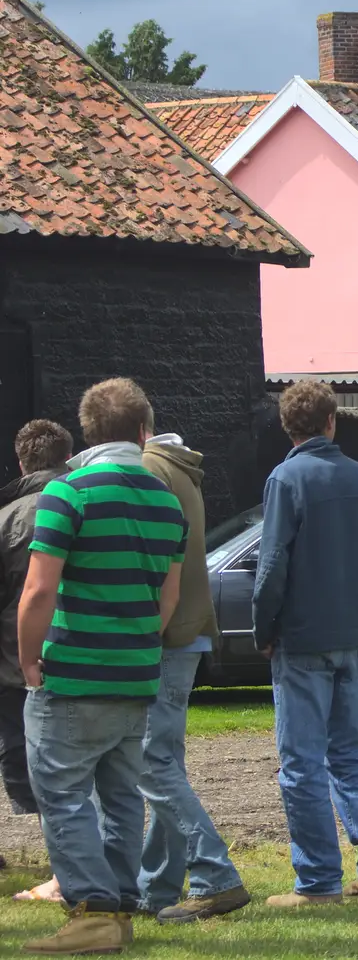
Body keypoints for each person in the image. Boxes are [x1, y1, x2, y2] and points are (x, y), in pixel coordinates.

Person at [16, 379, 187, 953]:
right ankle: (119, 905)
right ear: (143, 431)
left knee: (62, 795)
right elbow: (168, 599)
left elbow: (39, 591)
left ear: (87, 431)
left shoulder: (68, 492)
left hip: (73, 673)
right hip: (136, 674)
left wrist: (27, 658)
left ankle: (91, 912)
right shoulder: (166, 500)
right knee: (121, 797)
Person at [252, 380, 358, 908]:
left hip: (301, 639)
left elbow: (272, 566)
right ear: (333, 421)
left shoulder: (286, 478)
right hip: (348, 636)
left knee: (301, 763)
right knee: (347, 754)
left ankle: (317, 882)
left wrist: (263, 628)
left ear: (287, 428)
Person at [137, 427, 250, 922]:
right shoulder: (179, 466)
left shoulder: (149, 468)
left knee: (151, 763)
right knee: (164, 762)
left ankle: (215, 875)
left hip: (166, 633)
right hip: (189, 631)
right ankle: (157, 887)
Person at [0, 420, 71, 899]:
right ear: (67, 456)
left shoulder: (11, 517)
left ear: (22, 461)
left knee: (28, 762)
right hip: (81, 654)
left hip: (14, 664)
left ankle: (68, 870)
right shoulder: (85, 504)